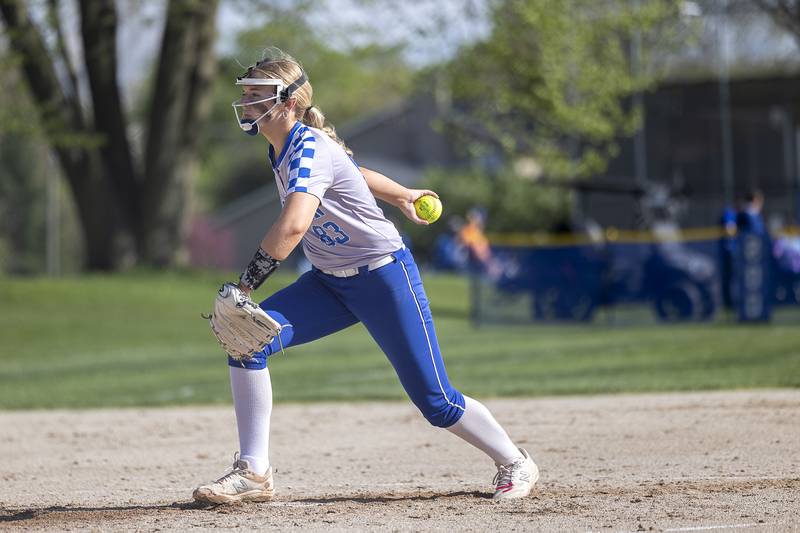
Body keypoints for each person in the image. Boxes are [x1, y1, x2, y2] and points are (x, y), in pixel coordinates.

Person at [192, 49, 538, 504]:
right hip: (329, 282)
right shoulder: (286, 148)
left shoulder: (307, 146)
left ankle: (514, 461)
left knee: (435, 401)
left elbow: (294, 226)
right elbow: (352, 171)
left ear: (290, 102)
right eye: (248, 93)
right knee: (246, 341)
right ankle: (254, 472)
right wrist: (402, 194)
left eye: (261, 94)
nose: (250, 100)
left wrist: (245, 286)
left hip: (383, 277)